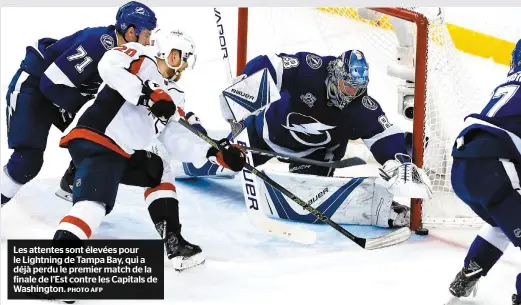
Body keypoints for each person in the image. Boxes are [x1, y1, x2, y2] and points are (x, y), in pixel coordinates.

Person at [51, 29, 246, 275]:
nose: (185, 67)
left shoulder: (175, 96)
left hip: (121, 151)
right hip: (99, 138)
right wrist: (147, 94)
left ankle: (174, 241)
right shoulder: (141, 57)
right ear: (173, 55)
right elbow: (109, 65)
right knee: (93, 205)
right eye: (184, 59)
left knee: (158, 166)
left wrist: (215, 153)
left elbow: (175, 136)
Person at [218, 50, 433, 228]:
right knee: (226, 160)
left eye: (357, 89)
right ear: (336, 75)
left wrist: (401, 162)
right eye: (347, 86)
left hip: (315, 156)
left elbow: (384, 133)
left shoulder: (360, 106)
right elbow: (271, 65)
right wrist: (245, 88)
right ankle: (203, 152)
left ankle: (379, 207)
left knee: (308, 198)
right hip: (265, 133)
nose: (351, 94)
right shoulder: (311, 69)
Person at [1, 1, 157, 206]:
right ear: (130, 32)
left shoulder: (125, 56)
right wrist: (85, 111)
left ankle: (71, 181)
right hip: (33, 87)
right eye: (146, 34)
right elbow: (50, 82)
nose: (149, 42)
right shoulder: (99, 44)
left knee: (102, 137)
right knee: (27, 161)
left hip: (59, 92)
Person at [447, 39, 521, 305]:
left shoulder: (510, 83)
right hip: (493, 167)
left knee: (501, 222)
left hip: (462, 167)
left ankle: (469, 273)